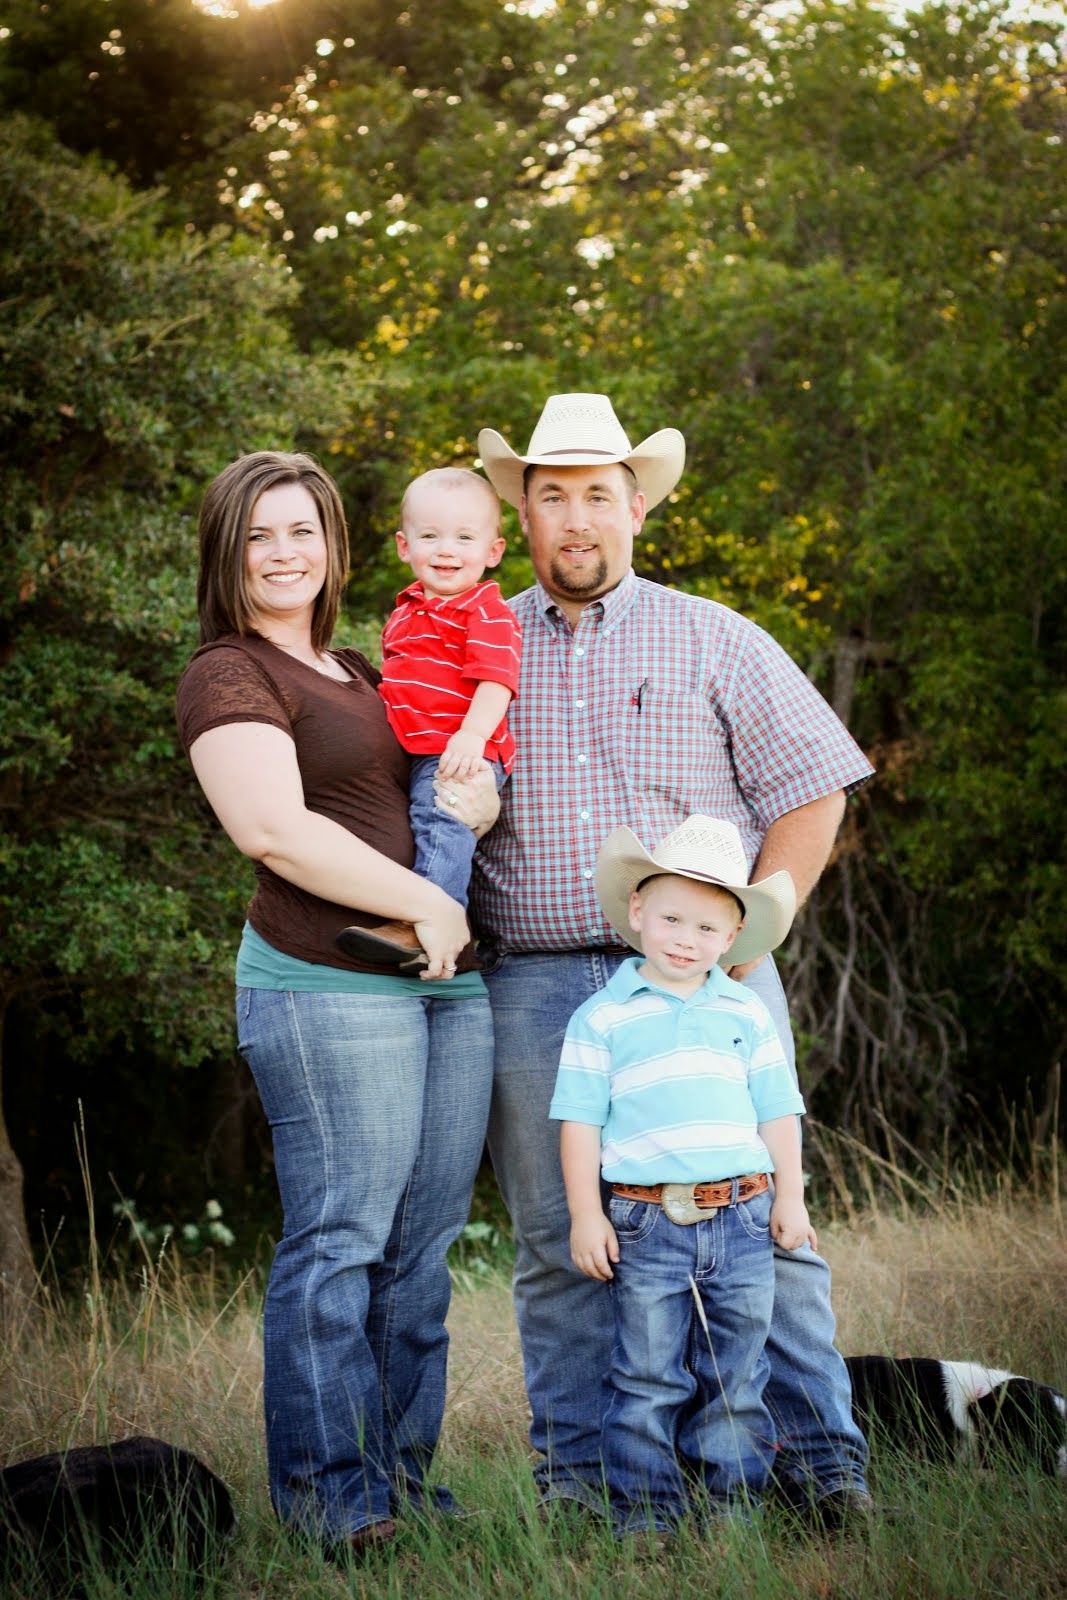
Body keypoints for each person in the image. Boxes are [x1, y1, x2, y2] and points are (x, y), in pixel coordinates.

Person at [468, 392, 874, 1526]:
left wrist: (761, 929)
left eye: (597, 494)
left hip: (713, 974)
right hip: (539, 982)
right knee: (560, 1243)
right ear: (524, 514)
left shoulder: (716, 635)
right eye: (551, 497)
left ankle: (817, 1466)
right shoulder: (483, 648)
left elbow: (812, 787)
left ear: (635, 504)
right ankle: (591, 1486)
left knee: (765, 1224)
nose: (575, 520)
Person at [174, 451, 498, 1557]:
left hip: (439, 986)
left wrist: (472, 800)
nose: (283, 553)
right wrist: (426, 904)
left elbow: (417, 795)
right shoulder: (227, 676)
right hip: (325, 985)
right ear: (227, 551)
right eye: (258, 535)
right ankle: (329, 1498)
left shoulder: (359, 664)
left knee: (417, 1248)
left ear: (333, 545)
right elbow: (273, 830)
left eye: (301, 530)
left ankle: (399, 1483)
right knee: (341, 1239)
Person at [551, 814, 811, 1533]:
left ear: (731, 938)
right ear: (637, 911)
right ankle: (646, 1521)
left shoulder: (744, 1014)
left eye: (705, 929)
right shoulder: (600, 1019)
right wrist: (585, 1214)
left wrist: (789, 1196)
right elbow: (579, 1122)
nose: (684, 939)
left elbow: (777, 1111)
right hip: (642, 1218)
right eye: (670, 918)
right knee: (645, 1376)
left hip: (744, 1214)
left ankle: (731, 1517)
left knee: (737, 1374)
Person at [338, 467, 521, 970]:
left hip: (461, 746)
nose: (447, 550)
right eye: (430, 536)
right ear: (404, 545)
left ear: (493, 552)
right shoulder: (406, 612)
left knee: (443, 822)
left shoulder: (485, 612)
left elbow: (496, 681)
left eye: (465, 538)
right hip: (419, 748)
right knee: (414, 825)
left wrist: (472, 735)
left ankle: (429, 920)